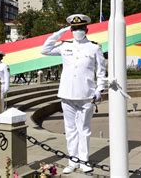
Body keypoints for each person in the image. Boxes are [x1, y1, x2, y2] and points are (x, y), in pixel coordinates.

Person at [41, 14, 106, 174]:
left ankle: (84, 161)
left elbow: (101, 71)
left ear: (86, 29)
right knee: (70, 129)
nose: (78, 31)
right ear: (71, 30)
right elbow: (45, 49)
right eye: (75, 29)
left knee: (84, 129)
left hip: (86, 95)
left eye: (80, 28)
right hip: (67, 94)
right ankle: (73, 160)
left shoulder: (94, 47)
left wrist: (99, 89)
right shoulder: (64, 46)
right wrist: (61, 32)